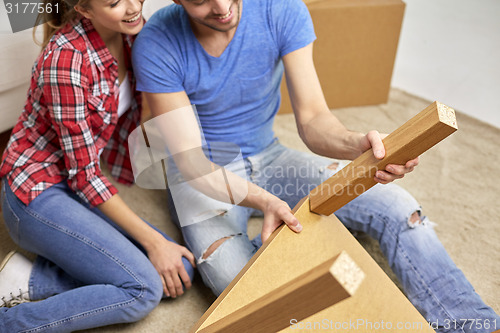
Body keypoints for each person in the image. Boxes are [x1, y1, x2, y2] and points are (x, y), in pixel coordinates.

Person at [131, 0, 499, 332]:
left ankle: (476, 327)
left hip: (270, 155)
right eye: (199, 0)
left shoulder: (281, 9)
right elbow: (192, 162)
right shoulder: (157, 41)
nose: (222, 7)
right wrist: (266, 202)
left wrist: (356, 145)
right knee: (244, 287)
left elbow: (312, 120)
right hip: (202, 173)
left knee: (400, 208)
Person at [0, 0, 196, 331]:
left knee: (179, 268)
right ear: (85, 10)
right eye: (115, 2)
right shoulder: (66, 60)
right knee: (143, 288)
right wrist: (154, 242)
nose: (133, 7)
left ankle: (34, 279)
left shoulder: (133, 32)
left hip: (78, 184)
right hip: (36, 192)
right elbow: (86, 177)